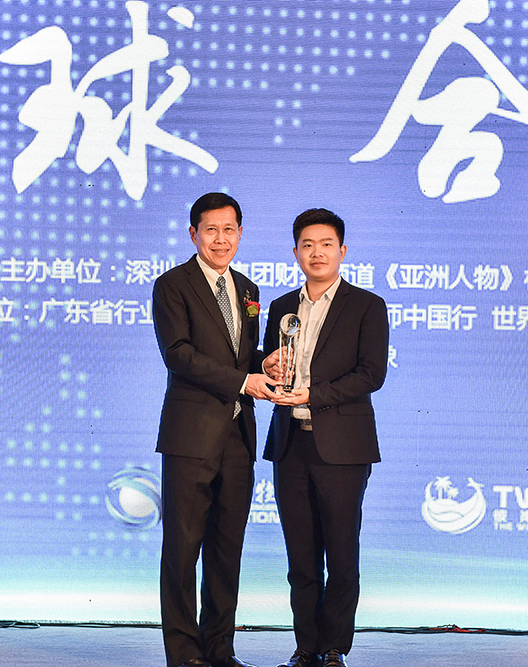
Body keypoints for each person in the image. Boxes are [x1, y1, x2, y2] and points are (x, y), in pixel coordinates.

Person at [152, 192, 277, 667]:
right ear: (193, 234)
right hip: (191, 436)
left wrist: (265, 364)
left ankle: (220, 649)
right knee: (182, 550)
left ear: (240, 233)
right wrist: (244, 380)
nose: (220, 240)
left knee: (227, 551)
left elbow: (239, 356)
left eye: (229, 230)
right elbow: (179, 354)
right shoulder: (172, 285)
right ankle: (185, 654)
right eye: (211, 230)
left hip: (238, 437)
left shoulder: (247, 289)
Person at [262, 209, 390, 667]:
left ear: (342, 251)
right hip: (290, 444)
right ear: (296, 252)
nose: (317, 253)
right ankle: (305, 646)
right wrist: (267, 367)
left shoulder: (367, 305)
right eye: (307, 245)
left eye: (326, 244)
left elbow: (371, 374)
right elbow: (271, 364)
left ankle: (335, 647)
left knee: (341, 552)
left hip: (343, 448)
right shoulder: (281, 307)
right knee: (300, 556)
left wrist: (314, 395)